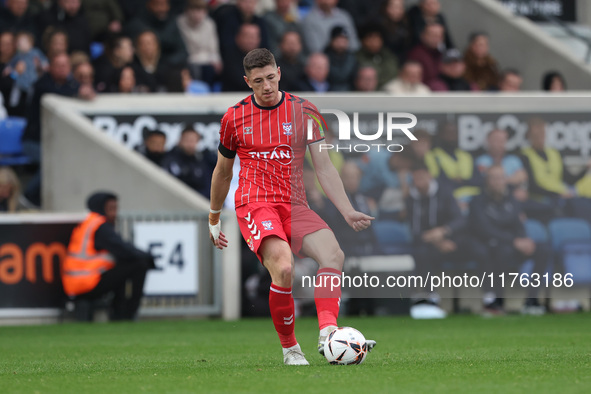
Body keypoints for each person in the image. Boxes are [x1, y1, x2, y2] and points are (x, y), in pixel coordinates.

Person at [208, 48, 375, 365]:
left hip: (294, 203)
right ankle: (290, 349)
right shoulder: (234, 118)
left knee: (333, 255)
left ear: (279, 73)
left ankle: (328, 333)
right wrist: (214, 217)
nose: (267, 86)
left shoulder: (305, 111)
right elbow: (223, 171)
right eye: (259, 81)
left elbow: (324, 167)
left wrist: (347, 210)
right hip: (256, 204)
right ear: (248, 82)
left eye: (271, 77)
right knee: (284, 269)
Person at [62, 191, 155, 321]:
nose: (114, 214)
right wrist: (147, 257)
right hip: (86, 283)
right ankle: (126, 314)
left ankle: (120, 312)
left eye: (116, 209)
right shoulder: (100, 226)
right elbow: (123, 248)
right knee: (139, 264)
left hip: (78, 283)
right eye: (111, 209)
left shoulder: (90, 223)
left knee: (124, 267)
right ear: (101, 208)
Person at [469, 165, 549, 315]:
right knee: (502, 251)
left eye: (501, 177)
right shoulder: (477, 201)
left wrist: (524, 241)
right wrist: (514, 241)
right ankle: (497, 302)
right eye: (493, 178)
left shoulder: (512, 200)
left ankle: (531, 300)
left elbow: (518, 224)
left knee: (543, 250)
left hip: (513, 245)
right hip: (491, 246)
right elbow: (484, 229)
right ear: (487, 181)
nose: (498, 181)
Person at [21, 52, 94, 206]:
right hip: (34, 141)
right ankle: (28, 196)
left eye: (65, 65)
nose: (62, 69)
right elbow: (54, 96)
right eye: (58, 65)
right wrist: (77, 93)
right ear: (50, 68)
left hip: (58, 143)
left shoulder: (71, 85)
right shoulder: (42, 84)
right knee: (51, 161)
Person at [406, 163, 469, 318]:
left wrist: (444, 232)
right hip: (427, 244)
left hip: (451, 241)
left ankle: (490, 299)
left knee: (480, 248)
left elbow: (459, 220)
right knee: (422, 254)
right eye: (416, 177)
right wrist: (437, 241)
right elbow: (415, 230)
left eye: (422, 176)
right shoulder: (411, 199)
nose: (419, 180)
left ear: (429, 176)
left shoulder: (445, 194)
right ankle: (431, 298)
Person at [124, 0, 188, 66]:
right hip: (143, 67)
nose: (162, 9)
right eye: (157, 4)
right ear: (149, 5)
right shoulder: (137, 25)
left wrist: (164, 63)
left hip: (168, 66)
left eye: (164, 4)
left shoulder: (172, 23)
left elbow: (183, 52)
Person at [176, 0, 222, 88]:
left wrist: (216, 59)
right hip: (189, 60)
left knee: (212, 69)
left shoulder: (209, 24)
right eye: (194, 11)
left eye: (201, 11)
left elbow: (213, 47)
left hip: (206, 60)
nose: (197, 15)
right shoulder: (180, 23)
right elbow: (183, 47)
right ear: (188, 11)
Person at [161, 127, 217, 198]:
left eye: (193, 140)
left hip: (199, 202)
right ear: (180, 141)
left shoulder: (202, 161)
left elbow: (208, 187)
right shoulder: (170, 159)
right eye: (187, 140)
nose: (190, 144)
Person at [476, 129, 527, 194]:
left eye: (502, 140)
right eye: (496, 140)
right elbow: (483, 180)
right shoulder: (481, 160)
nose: (499, 143)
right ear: (488, 141)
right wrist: (509, 179)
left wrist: (498, 179)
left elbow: (522, 176)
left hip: (510, 195)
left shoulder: (513, 160)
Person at [324, 26, 356, 92]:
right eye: (339, 40)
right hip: (327, 92)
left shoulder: (352, 57)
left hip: (350, 92)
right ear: (332, 40)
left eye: (344, 41)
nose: (341, 44)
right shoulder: (324, 56)